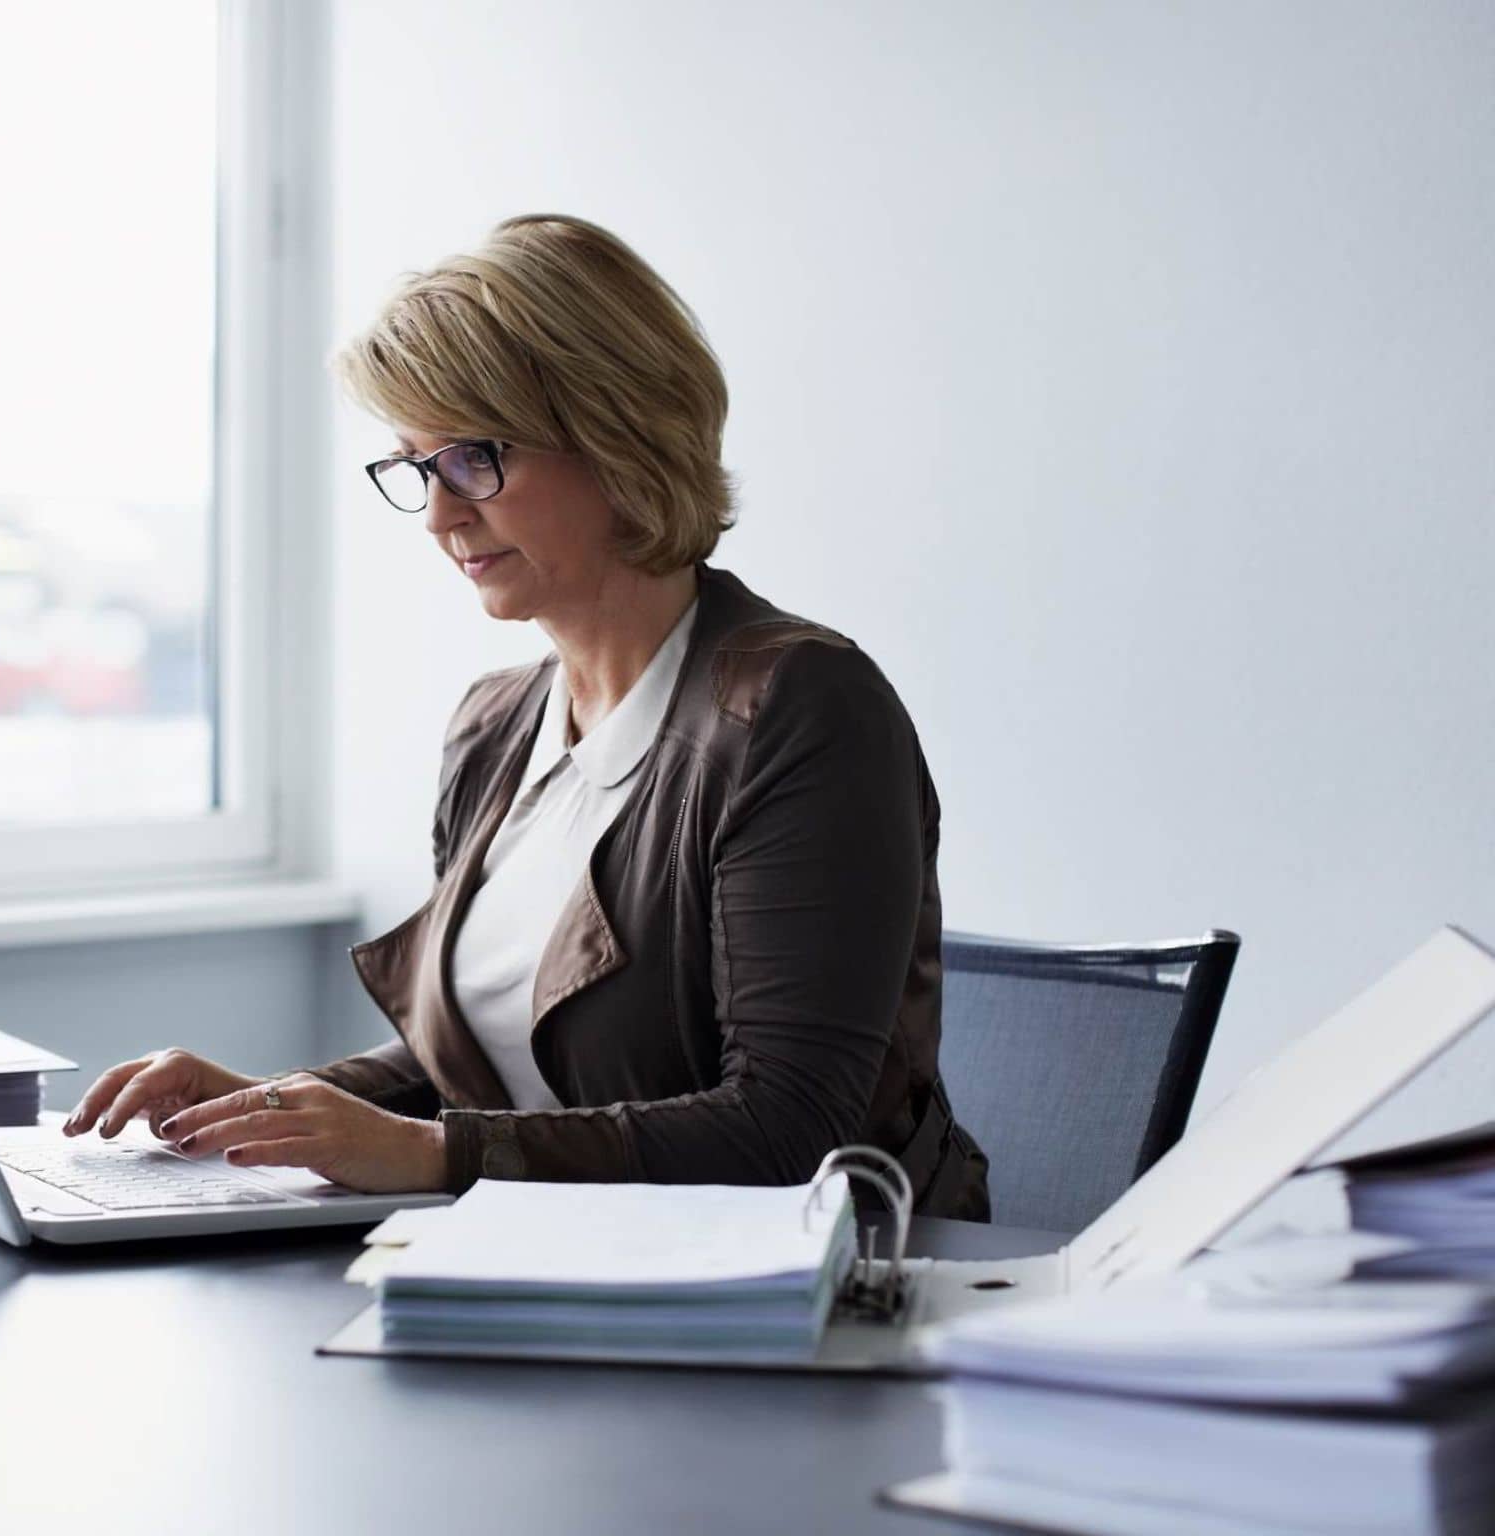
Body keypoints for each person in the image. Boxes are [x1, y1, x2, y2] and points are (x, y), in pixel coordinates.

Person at [62, 214, 990, 1218]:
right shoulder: (495, 725)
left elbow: (785, 1129)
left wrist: (429, 1155)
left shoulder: (799, 707)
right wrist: (274, 1107)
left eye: (472, 458)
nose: (438, 515)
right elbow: (468, 1064)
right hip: (557, 1264)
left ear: (615, 433)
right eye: (416, 467)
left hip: (779, 1306)